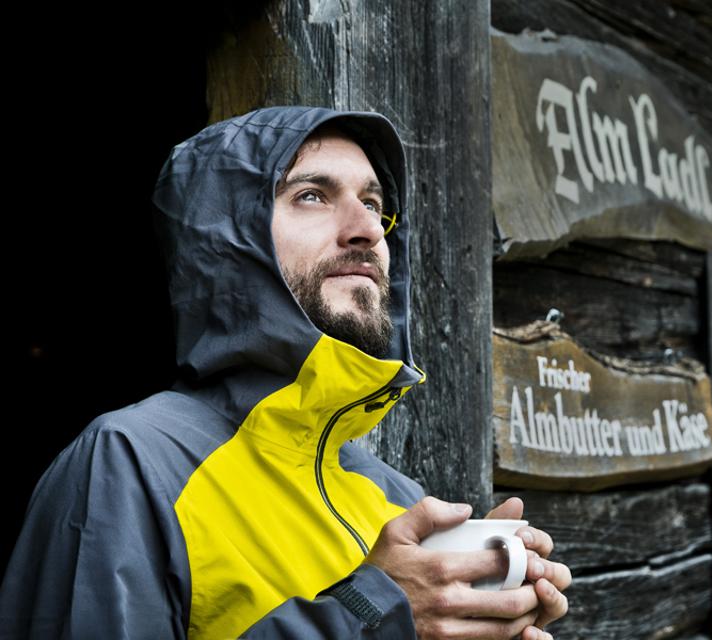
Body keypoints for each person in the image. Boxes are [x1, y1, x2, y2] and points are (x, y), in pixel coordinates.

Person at [0, 105, 570, 639]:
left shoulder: (399, 499)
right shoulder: (128, 462)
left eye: (374, 204)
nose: (366, 229)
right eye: (313, 195)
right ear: (226, 239)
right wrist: (373, 614)